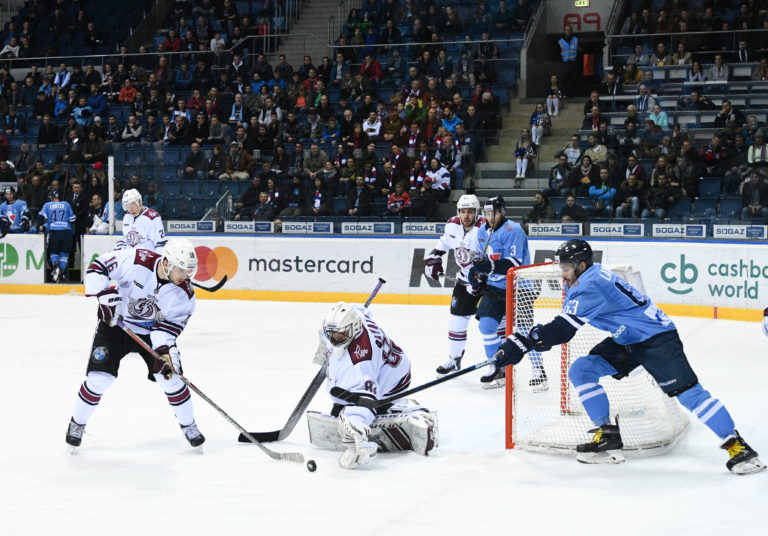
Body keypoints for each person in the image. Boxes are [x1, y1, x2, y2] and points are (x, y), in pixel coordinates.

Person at [494, 239, 766, 474]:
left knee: (689, 394)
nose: (562, 274)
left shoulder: (590, 285)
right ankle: (608, 435)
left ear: (581, 265)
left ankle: (738, 446)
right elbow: (561, 328)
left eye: (566, 268)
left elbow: (563, 331)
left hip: (656, 339)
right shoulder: (590, 276)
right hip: (628, 339)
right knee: (582, 370)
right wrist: (528, 341)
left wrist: (524, 341)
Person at [64, 239, 205, 449]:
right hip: (116, 325)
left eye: (189, 272)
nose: (185, 277)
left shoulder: (185, 294)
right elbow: (97, 268)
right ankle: (77, 424)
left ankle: (189, 425)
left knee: (171, 379)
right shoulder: (137, 259)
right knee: (99, 379)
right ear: (166, 263)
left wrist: (164, 352)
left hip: (152, 332)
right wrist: (104, 296)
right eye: (181, 270)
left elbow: (168, 328)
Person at [309, 302, 438, 469]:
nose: (335, 339)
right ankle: (351, 405)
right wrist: (325, 345)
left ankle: (399, 406)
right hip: (388, 363)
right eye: (331, 334)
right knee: (346, 383)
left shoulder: (361, 358)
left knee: (368, 403)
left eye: (340, 335)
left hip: (392, 380)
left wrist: (356, 426)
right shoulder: (356, 320)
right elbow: (360, 311)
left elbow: (366, 396)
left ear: (353, 328)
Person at [467, 196, 544, 389]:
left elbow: (515, 263)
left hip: (521, 285)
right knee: (486, 326)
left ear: (503, 212)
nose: (490, 217)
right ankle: (497, 367)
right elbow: (480, 259)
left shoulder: (513, 230)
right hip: (496, 286)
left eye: (494, 213)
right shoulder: (482, 232)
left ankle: (538, 370)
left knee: (525, 329)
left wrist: (489, 267)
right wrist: (477, 276)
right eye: (487, 213)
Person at [424, 195, 485, 376]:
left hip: (486, 283)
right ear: (458, 212)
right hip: (464, 280)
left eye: (471, 212)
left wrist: (482, 278)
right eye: (463, 211)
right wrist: (433, 258)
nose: (466, 215)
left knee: (494, 325)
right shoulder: (452, 224)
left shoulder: (485, 228)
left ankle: (499, 365)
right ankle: (455, 359)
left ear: (477, 212)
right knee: (456, 322)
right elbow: (443, 243)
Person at [37, 189, 75, 282]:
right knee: (64, 253)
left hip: (54, 231)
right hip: (66, 231)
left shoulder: (47, 205)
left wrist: (40, 226)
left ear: (51, 197)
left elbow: (41, 216)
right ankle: (61, 271)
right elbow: (73, 219)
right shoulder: (66, 204)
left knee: (53, 252)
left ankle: (55, 267)